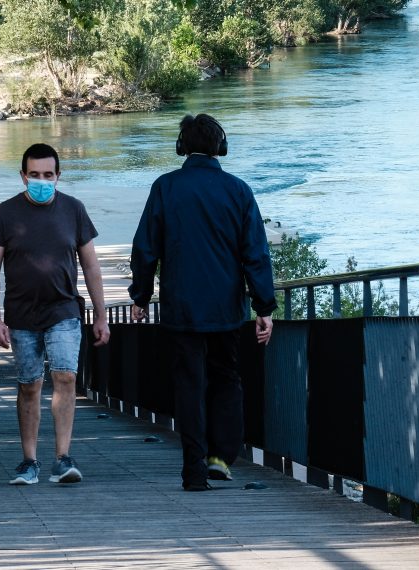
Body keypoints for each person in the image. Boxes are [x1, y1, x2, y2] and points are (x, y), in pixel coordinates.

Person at [127, 114, 276, 492]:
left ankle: (193, 471)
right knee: (227, 379)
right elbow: (255, 254)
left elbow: (145, 248)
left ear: (181, 146)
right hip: (226, 309)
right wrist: (264, 307)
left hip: (181, 308)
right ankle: (220, 458)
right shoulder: (238, 191)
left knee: (189, 385)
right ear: (220, 147)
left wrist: (140, 296)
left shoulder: (165, 187)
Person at [0, 143, 110, 486]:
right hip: (21, 316)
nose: (42, 181)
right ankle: (29, 461)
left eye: (48, 175)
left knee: (66, 377)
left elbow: (92, 267)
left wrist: (101, 314)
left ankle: (62, 458)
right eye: (34, 175)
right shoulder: (5, 213)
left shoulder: (74, 210)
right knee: (29, 385)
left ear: (58, 175)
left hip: (64, 309)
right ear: (23, 176)